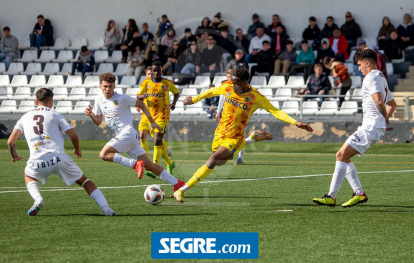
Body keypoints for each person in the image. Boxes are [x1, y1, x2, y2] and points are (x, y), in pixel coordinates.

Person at [173, 68, 313, 203]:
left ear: (245, 83)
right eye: (232, 82)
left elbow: (275, 111)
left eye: (236, 84)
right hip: (220, 133)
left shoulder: (255, 97)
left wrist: (295, 122)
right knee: (220, 163)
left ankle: (182, 190)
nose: (232, 86)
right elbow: (211, 92)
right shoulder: (227, 86)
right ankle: (251, 140)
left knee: (213, 159)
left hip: (234, 137)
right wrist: (195, 99)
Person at [7, 88, 115, 216]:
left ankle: (38, 199)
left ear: (36, 101)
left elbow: (10, 141)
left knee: (28, 175)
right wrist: (77, 150)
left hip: (37, 161)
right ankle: (106, 208)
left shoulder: (24, 117)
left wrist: (14, 155)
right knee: (85, 182)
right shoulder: (55, 114)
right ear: (51, 101)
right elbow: (73, 136)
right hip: (58, 158)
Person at [313, 49, 397, 208]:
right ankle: (359, 194)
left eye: (359, 65)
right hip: (373, 127)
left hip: (370, 127)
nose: (359, 69)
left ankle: (331, 196)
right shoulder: (381, 77)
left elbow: (380, 102)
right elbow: (392, 104)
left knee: (340, 155)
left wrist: (384, 118)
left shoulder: (370, 78)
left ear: (367, 63)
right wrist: (384, 119)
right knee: (344, 157)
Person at [85, 72, 185, 190]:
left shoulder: (122, 98)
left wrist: (152, 122)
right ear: (100, 86)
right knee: (150, 166)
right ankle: (178, 183)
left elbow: (141, 105)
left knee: (103, 154)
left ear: (114, 86)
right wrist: (91, 114)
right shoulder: (98, 99)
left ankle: (135, 164)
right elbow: (98, 121)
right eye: (105, 86)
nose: (108, 89)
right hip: (128, 138)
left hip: (127, 134)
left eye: (110, 86)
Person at [137, 62, 180, 177]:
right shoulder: (146, 82)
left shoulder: (167, 83)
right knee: (144, 137)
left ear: (161, 71)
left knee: (157, 140)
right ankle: (169, 164)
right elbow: (138, 96)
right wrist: (143, 96)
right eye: (154, 71)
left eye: (158, 71)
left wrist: (174, 104)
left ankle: (152, 167)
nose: (155, 73)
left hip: (162, 115)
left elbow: (176, 92)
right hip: (147, 115)